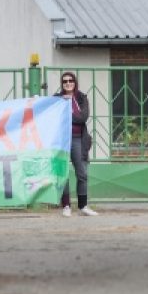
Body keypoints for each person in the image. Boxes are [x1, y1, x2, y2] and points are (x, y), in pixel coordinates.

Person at [55, 71, 98, 217]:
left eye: (71, 81)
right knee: (63, 174)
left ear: (75, 82)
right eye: (65, 81)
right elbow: (52, 115)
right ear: (62, 84)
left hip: (77, 139)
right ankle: (66, 206)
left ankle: (83, 206)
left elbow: (83, 117)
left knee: (82, 173)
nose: (68, 83)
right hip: (61, 140)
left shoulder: (81, 97)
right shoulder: (57, 99)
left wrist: (66, 111)